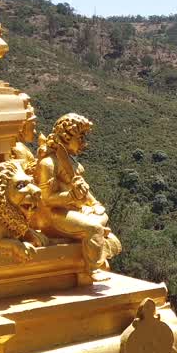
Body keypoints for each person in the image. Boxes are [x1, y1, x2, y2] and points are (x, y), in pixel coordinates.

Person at [31, 113, 121, 271]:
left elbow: (84, 190)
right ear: (66, 138)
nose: (84, 143)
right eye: (80, 138)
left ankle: (88, 234)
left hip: (75, 209)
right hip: (54, 215)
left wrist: (94, 203)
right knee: (94, 228)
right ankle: (94, 268)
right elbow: (46, 199)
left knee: (103, 214)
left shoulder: (71, 161)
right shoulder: (48, 164)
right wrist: (71, 196)